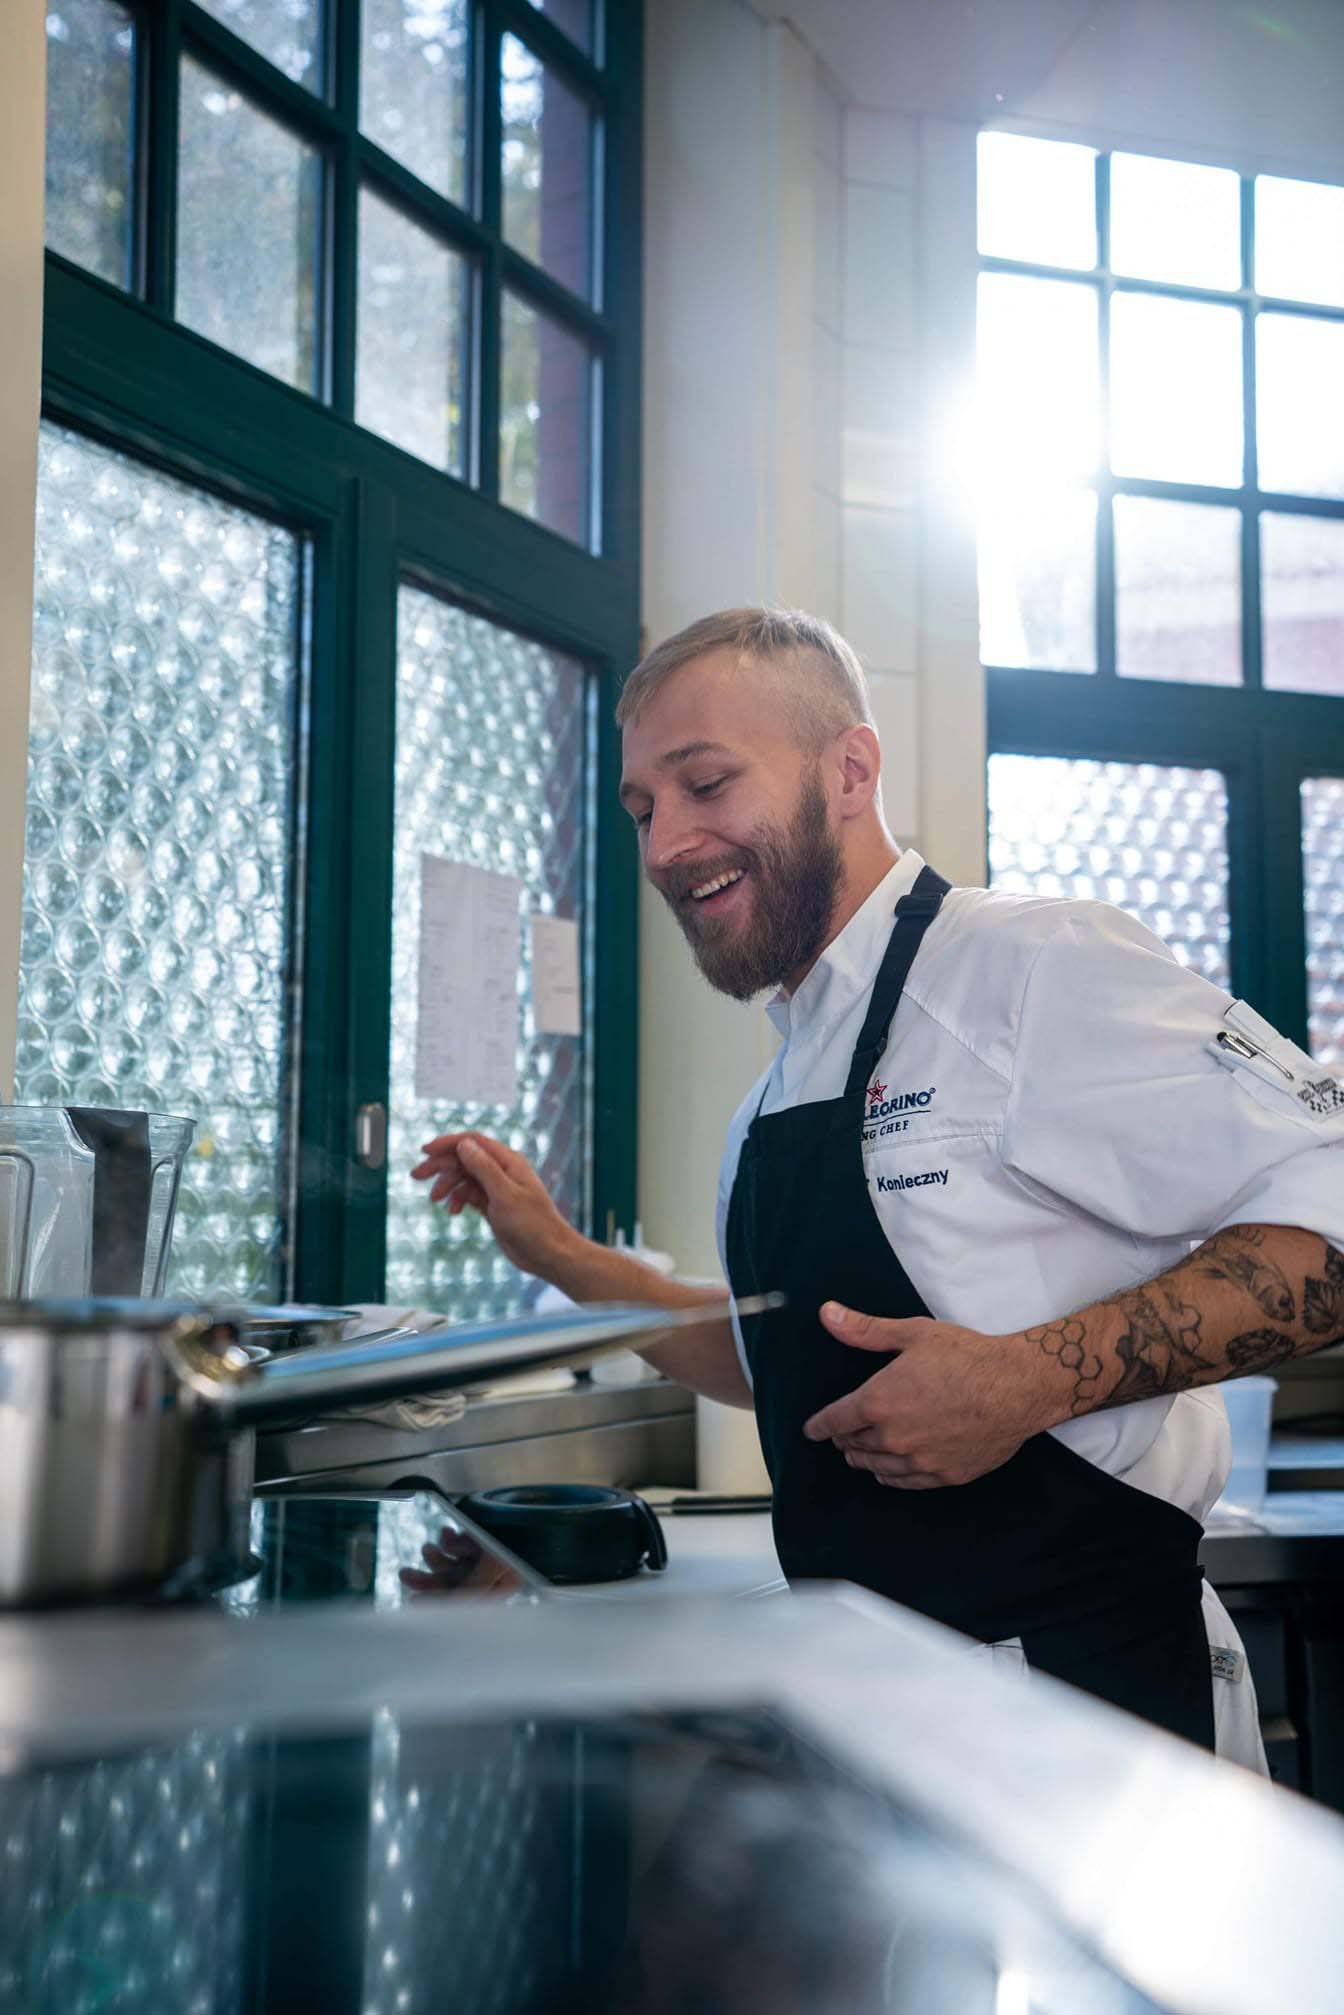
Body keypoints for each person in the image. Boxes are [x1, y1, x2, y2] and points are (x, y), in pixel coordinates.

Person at [413, 607, 1344, 1767]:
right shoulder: (778, 1087)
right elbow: (787, 1363)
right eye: (644, 809)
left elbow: (1333, 1216)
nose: (663, 847)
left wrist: (1026, 1379)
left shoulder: (1027, 963)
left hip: (1089, 1713)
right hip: (887, 1709)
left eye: (705, 783)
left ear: (849, 770)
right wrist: (558, 1253)